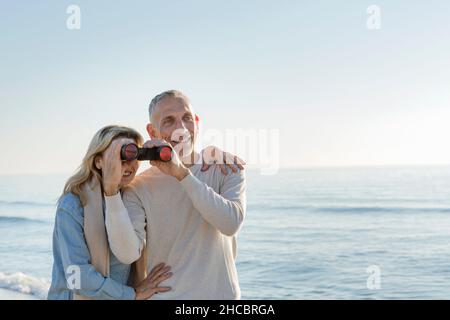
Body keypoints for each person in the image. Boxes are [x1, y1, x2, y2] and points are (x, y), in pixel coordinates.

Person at [105, 90, 246, 299]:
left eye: (187, 118)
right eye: (169, 121)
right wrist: (110, 193)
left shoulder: (226, 167)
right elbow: (128, 253)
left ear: (197, 122)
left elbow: (230, 223)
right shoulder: (138, 187)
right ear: (152, 131)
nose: (181, 129)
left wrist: (182, 173)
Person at [47, 125, 173, 300]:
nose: (129, 164)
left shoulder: (133, 199)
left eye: (134, 155)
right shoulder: (72, 205)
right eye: (120, 156)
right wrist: (133, 294)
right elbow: (77, 277)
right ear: (98, 161)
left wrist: (216, 160)